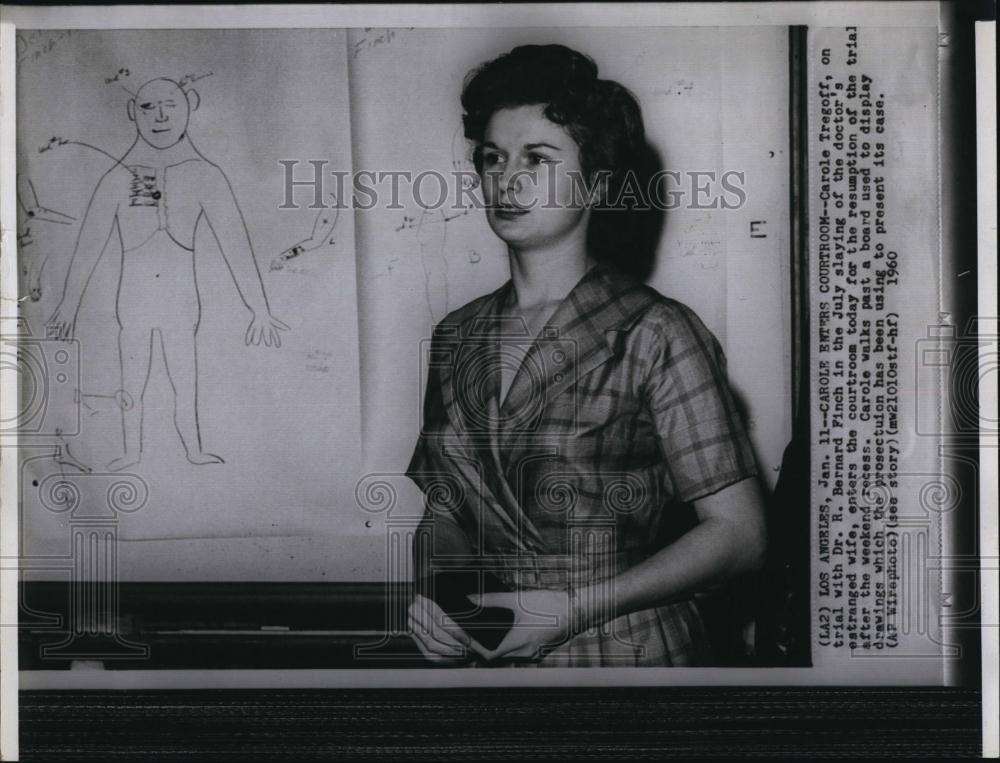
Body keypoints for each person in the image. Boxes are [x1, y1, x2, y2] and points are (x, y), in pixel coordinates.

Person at [405, 44, 766, 667]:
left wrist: (568, 610)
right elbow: (446, 514)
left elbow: (740, 537)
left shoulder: (656, 332)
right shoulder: (455, 336)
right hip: (494, 650)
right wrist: (439, 596)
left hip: (628, 649)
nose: (507, 179)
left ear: (597, 181)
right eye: (494, 158)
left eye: (538, 159)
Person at [47, 77, 288, 470]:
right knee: (133, 374)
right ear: (132, 112)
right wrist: (69, 305)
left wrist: (258, 308)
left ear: (190, 104)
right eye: (147, 107)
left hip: (181, 301)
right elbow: (89, 244)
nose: (160, 117)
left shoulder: (205, 175)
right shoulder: (117, 178)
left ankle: (192, 448)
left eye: (170, 105)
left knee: (184, 375)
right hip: (134, 300)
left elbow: (235, 244)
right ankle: (132, 451)